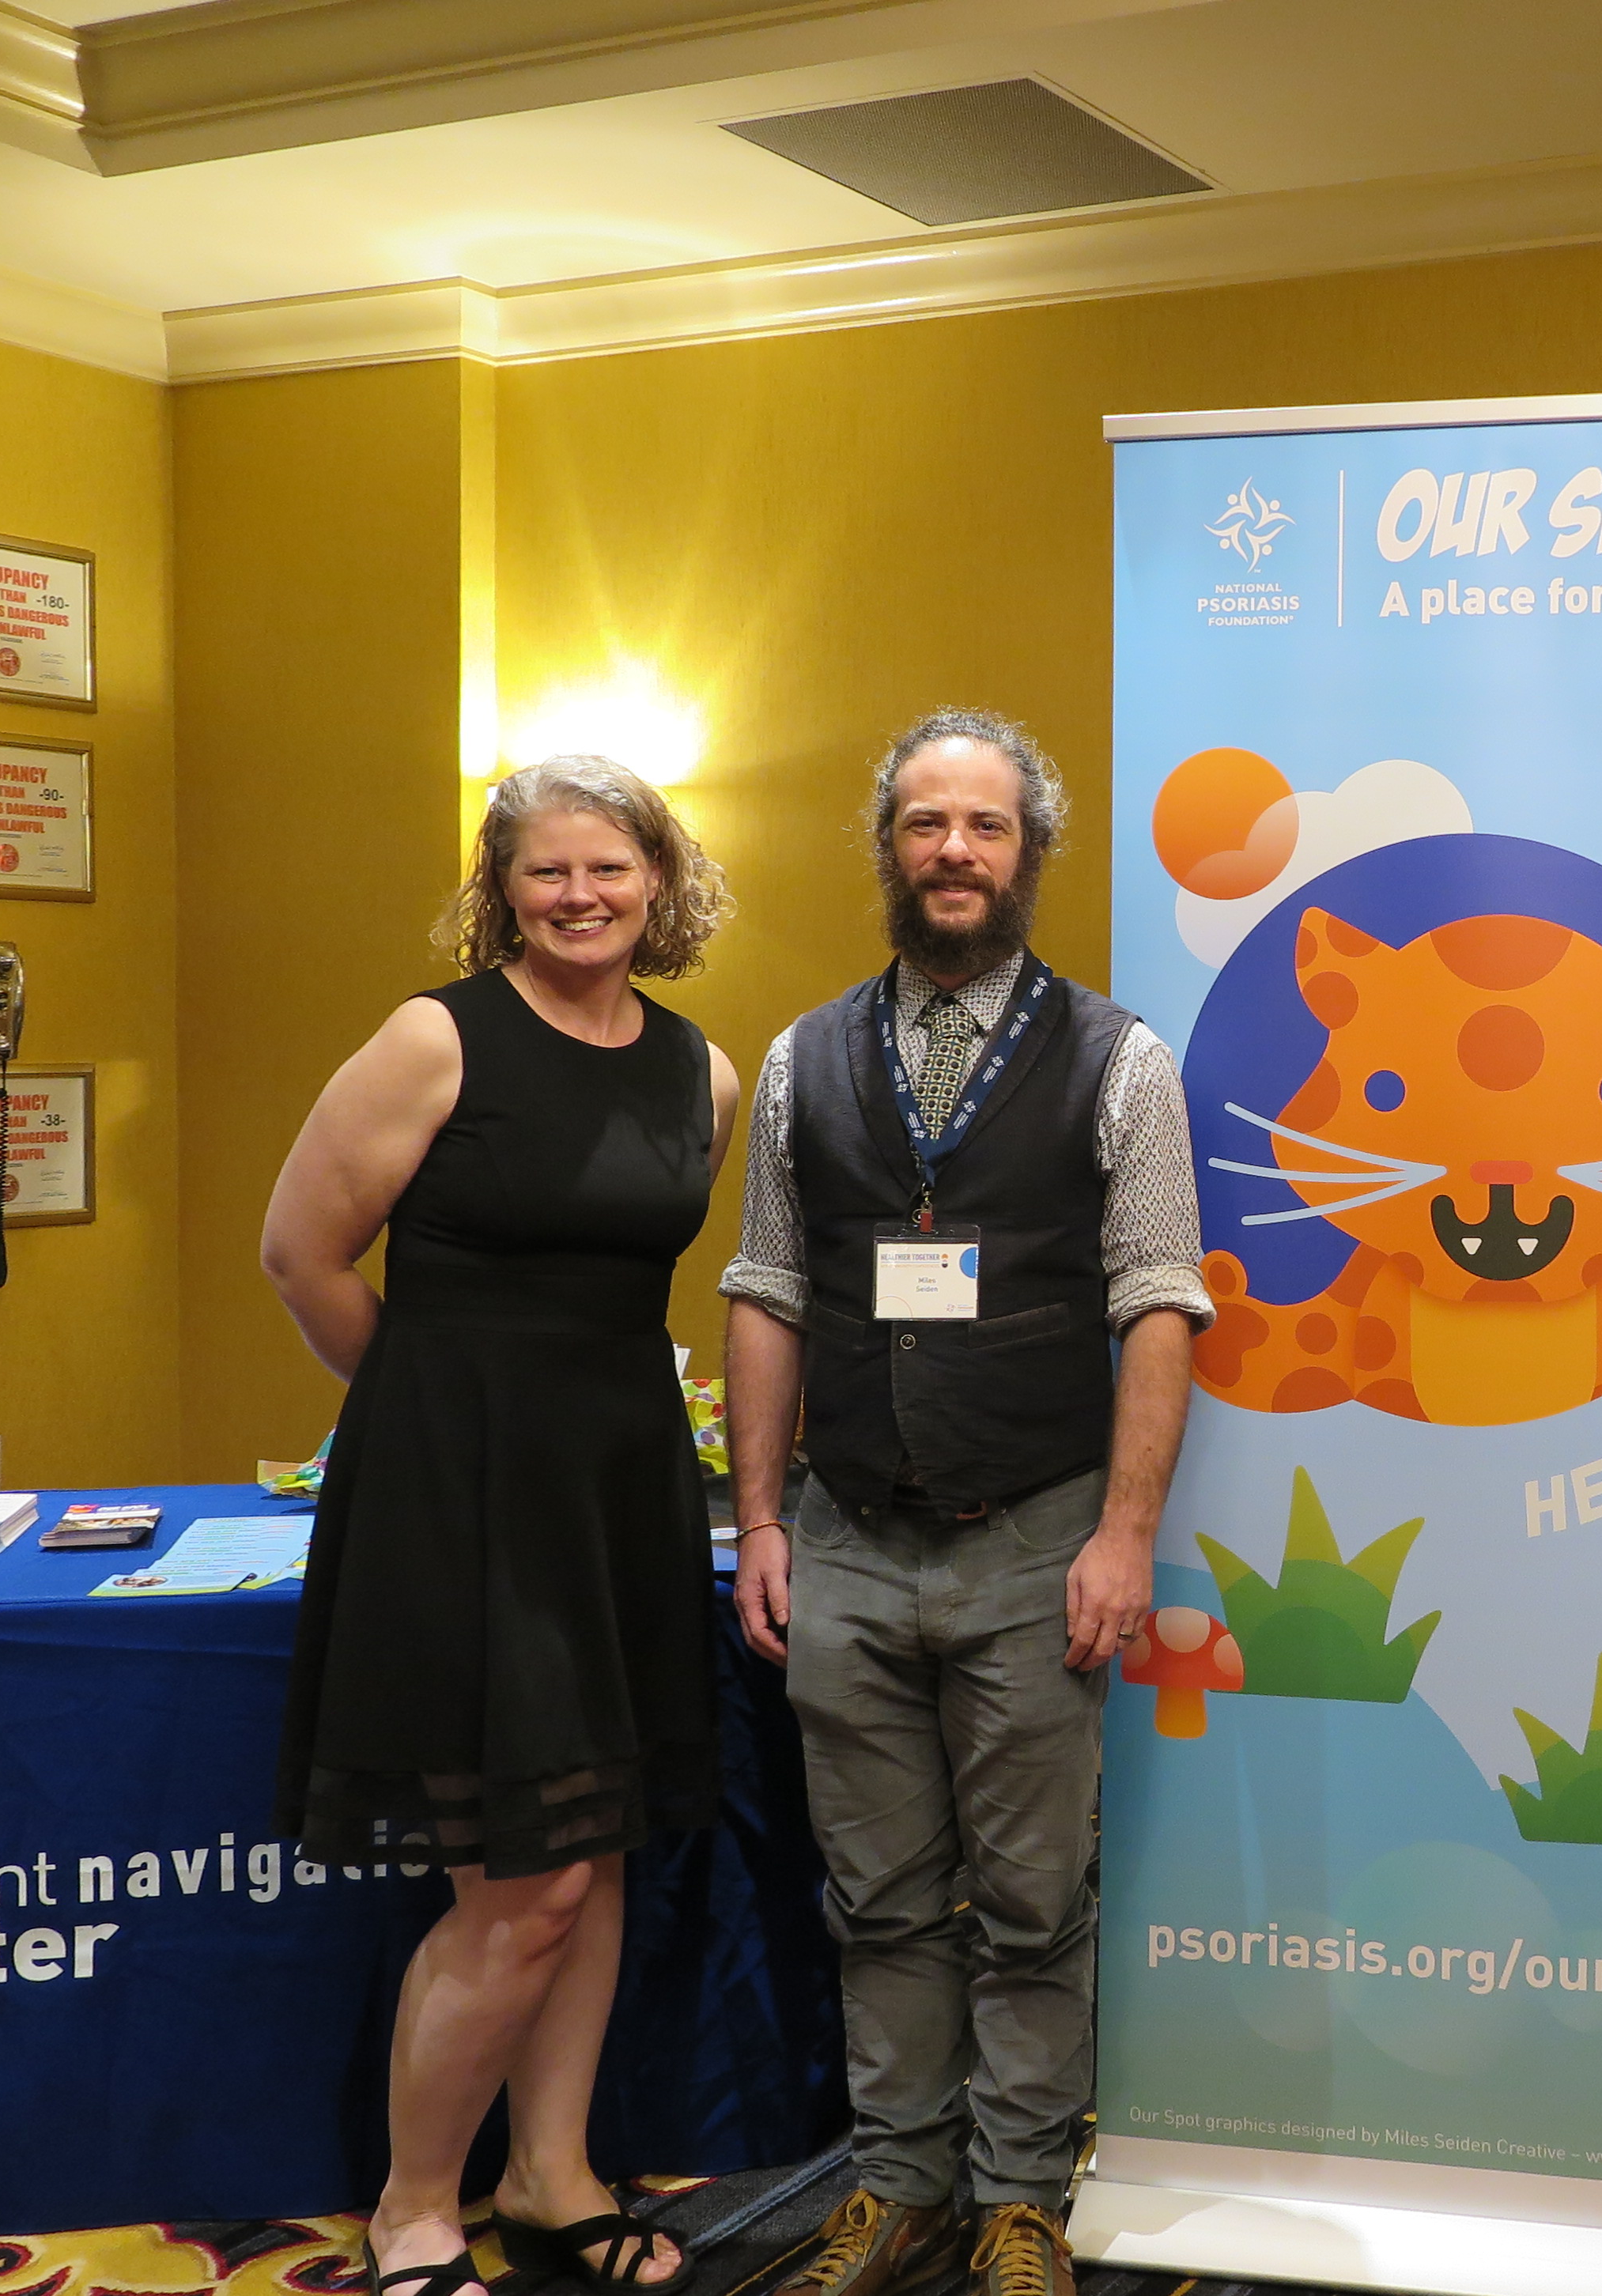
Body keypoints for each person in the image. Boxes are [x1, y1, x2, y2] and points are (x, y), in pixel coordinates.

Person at [724, 707, 1206, 2296]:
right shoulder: (803, 1058)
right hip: (847, 1543)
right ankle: (896, 2187)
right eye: (925, 824)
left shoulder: (1119, 1062)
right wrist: (766, 1523)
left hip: (1033, 1541)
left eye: (983, 826)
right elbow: (770, 1290)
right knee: (876, 1899)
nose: (952, 852)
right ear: (890, 849)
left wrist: (1125, 1538)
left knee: (1026, 1904)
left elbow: (1157, 1303)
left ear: (1028, 855)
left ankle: (1019, 2201)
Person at [264, 757, 744, 2296]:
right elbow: (303, 1254)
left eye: (610, 869)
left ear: (660, 882)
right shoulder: (435, 1039)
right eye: (548, 873)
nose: (581, 896)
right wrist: (427, 1417)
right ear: (502, 890)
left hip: (617, 1502)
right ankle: (415, 2204)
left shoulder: (703, 1075)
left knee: (590, 1855)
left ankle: (552, 2177)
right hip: (461, 1503)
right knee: (520, 1891)